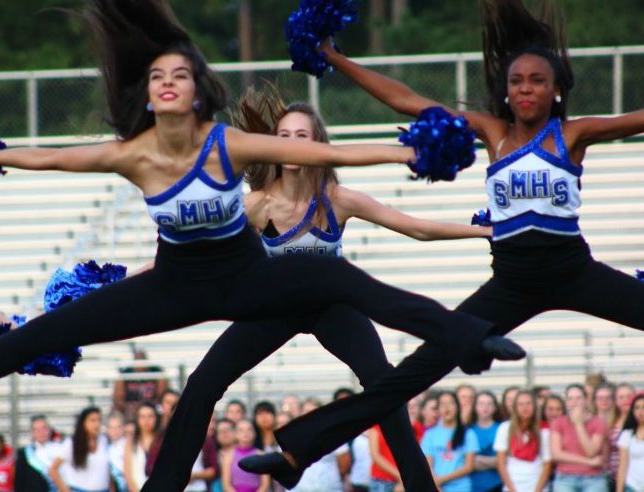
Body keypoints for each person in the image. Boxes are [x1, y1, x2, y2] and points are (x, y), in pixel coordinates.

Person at [0, 1, 522, 490]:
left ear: (197, 89)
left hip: (248, 280)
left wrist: (409, 150)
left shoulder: (224, 144)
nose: (168, 83)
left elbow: (326, 153)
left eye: (180, 75)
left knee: (342, 280)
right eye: (157, 76)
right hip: (174, 285)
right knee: (45, 332)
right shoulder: (133, 154)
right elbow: (50, 158)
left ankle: (467, 337)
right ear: (147, 93)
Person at [241, 0, 644, 482]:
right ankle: (295, 456)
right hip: (512, 281)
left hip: (573, 271)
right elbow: (407, 102)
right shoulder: (492, 132)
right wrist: (336, 57)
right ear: (506, 91)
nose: (526, 89)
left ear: (556, 90)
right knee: (409, 374)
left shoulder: (573, 134)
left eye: (538, 80)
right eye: (516, 81)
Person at [142, 84, 501, 492]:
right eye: (284, 137)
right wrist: (118, 282)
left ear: (318, 146)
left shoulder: (337, 199)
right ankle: (163, 486)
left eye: (302, 137)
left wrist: (483, 230)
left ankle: (421, 486)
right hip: (273, 307)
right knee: (202, 382)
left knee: (382, 381)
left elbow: (416, 227)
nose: (292, 146)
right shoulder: (257, 205)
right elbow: (187, 251)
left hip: (333, 307)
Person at [550, 384, 608, 492]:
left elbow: (591, 451)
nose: (574, 402)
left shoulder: (598, 423)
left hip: (593, 479)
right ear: (566, 402)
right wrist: (588, 462)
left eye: (578, 398)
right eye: (570, 399)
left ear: (586, 400)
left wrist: (578, 424)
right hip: (565, 478)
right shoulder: (558, 423)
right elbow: (556, 454)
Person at [494, 390, 552, 492]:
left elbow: (547, 465)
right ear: (515, 407)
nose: (525, 408)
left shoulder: (543, 431)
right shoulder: (505, 428)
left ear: (534, 406)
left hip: (536, 484)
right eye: (521, 404)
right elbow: (501, 463)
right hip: (512, 485)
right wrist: (511, 489)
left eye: (528, 403)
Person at [421, 391, 479, 492]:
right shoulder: (430, 434)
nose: (447, 408)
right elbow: (428, 464)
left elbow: (469, 466)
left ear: (457, 407)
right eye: (443, 404)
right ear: (438, 409)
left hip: (461, 487)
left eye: (450, 403)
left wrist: (441, 479)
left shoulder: (468, 434)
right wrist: (436, 484)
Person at [50, 407, 111, 492]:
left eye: (98, 420)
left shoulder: (103, 441)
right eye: (92, 421)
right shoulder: (72, 443)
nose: (97, 424)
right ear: (83, 423)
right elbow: (52, 470)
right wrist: (65, 490)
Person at [113, 349, 168, 421]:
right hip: (130, 411)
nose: (140, 365)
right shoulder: (125, 374)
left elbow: (164, 396)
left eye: (142, 360)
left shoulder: (157, 372)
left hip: (153, 410)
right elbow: (118, 399)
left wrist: (149, 406)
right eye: (138, 360)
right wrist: (130, 407)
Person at [15, 415, 62, 492]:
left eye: (44, 428)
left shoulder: (60, 449)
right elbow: (19, 481)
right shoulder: (24, 453)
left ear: (49, 430)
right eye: (36, 429)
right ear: (32, 433)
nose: (41, 432)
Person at [221, 419, 269, 492]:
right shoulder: (228, 456)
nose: (246, 433)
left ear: (255, 433)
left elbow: (265, 484)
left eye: (249, 429)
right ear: (235, 434)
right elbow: (226, 485)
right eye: (241, 430)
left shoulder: (262, 455)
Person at [470, 391, 503, 492]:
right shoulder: (468, 430)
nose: (485, 407)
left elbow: (503, 460)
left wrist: (477, 460)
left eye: (489, 404)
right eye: (481, 404)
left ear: (495, 407)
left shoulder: (501, 429)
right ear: (475, 407)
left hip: (496, 484)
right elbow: (465, 462)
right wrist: (492, 461)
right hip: (472, 485)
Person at [124, 403, 161, 492]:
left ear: (156, 418)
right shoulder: (131, 443)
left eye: (150, 416)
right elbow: (128, 474)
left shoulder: (162, 441)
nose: (146, 420)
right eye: (142, 416)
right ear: (137, 419)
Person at [615, 393, 644, 492]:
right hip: (632, 486)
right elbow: (623, 466)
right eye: (637, 408)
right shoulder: (627, 434)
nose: (641, 411)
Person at [611, 384, 637, 491]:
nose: (625, 400)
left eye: (629, 396)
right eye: (621, 397)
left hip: (633, 478)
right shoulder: (611, 422)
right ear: (616, 401)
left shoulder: (639, 424)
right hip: (612, 477)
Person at [369, 425, 402, 492]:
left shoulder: (401, 426)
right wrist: (399, 475)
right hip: (381, 479)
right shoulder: (375, 428)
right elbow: (375, 456)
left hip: (400, 480)